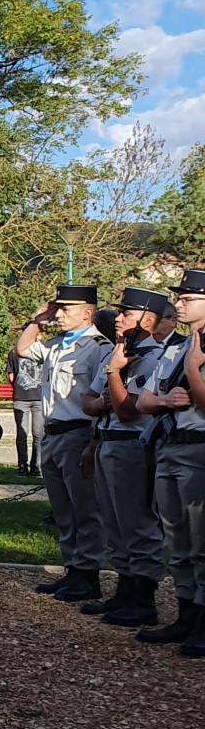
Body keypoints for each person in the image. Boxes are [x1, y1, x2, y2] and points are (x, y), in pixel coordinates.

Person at [15, 284, 111, 602]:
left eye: (66, 309)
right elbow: (23, 348)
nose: (60, 314)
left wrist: (94, 442)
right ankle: (72, 568)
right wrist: (38, 320)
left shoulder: (99, 347)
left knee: (85, 508)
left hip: (79, 432)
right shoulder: (56, 346)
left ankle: (88, 574)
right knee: (62, 509)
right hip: (53, 433)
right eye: (58, 308)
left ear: (88, 312)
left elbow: (101, 397)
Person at [81, 287, 169, 626]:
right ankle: (124, 589)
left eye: (126, 314)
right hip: (106, 440)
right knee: (114, 522)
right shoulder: (116, 353)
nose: (117, 318)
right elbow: (89, 402)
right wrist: (109, 383)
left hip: (132, 444)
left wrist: (114, 376)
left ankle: (143, 598)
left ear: (147, 320)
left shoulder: (153, 356)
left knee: (136, 522)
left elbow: (129, 411)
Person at [141, 270, 205, 652]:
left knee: (201, 539)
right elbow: (147, 400)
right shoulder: (176, 348)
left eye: (188, 298)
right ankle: (185, 613)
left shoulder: (192, 354)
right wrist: (165, 401)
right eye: (179, 298)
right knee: (176, 537)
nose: (179, 304)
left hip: (199, 448)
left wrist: (196, 372)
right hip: (170, 445)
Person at [9, 347, 44, 477]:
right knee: (37, 434)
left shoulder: (15, 352)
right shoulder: (15, 352)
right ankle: (35, 466)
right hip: (31, 397)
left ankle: (23, 466)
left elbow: (12, 377)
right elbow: (11, 376)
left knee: (25, 434)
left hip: (26, 396)